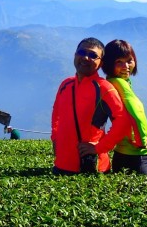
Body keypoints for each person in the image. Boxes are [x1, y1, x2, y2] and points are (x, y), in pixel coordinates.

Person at [51, 37, 131, 174]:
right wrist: (55, 138)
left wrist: (100, 147)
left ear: (100, 63)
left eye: (93, 55)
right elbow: (56, 113)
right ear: (75, 55)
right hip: (61, 165)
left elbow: (123, 121)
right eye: (82, 53)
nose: (86, 58)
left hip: (93, 168)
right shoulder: (66, 84)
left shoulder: (104, 88)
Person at [99, 39, 147, 175]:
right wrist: (142, 140)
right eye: (118, 62)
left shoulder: (116, 82)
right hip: (135, 154)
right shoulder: (120, 84)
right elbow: (135, 112)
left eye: (129, 60)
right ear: (109, 64)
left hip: (125, 152)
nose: (125, 66)